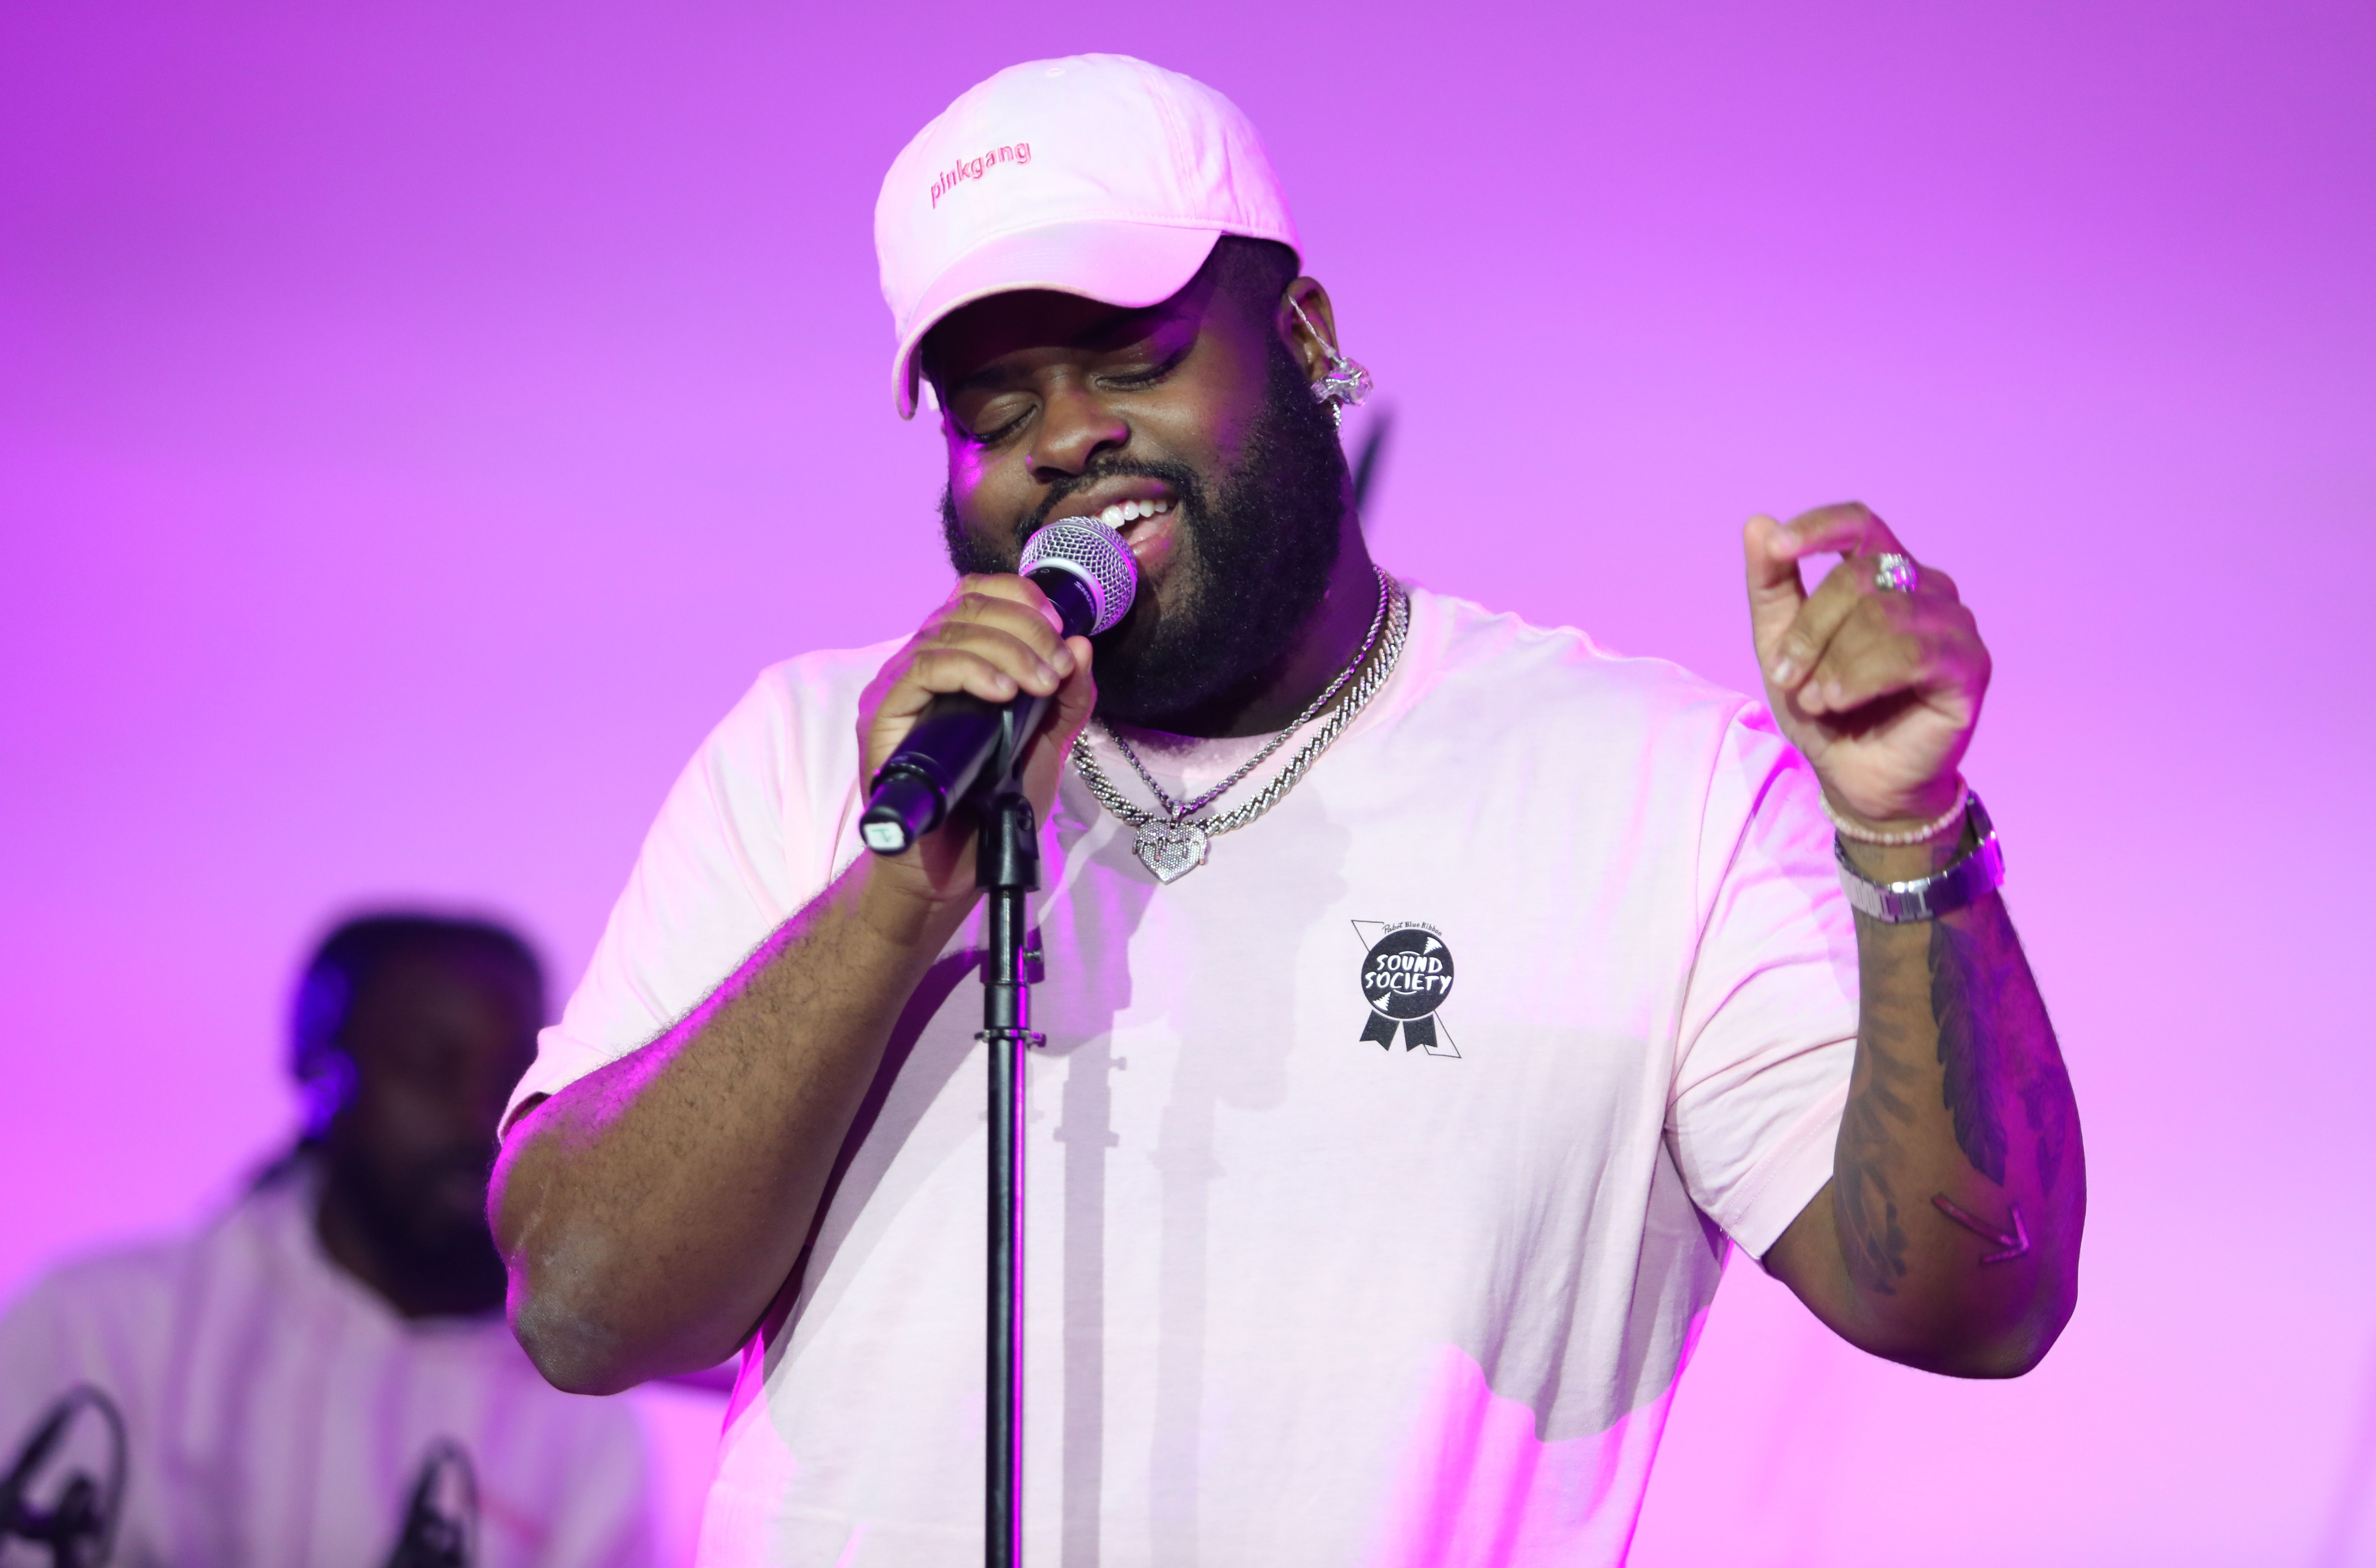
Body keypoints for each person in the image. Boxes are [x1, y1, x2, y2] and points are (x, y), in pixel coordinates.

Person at [490, 54, 2086, 1566]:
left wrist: (1909, 831)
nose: (1068, 438)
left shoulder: (1650, 787)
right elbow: (582, 1308)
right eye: (996, 410)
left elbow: (1973, 1302)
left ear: (1309, 334)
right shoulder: (820, 757)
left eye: (1137, 358)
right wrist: (895, 895)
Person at [0, 914, 653, 1568]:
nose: (479, 1115)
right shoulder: (101, 1327)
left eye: (513, 1078)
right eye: (431, 1068)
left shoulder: (578, 1412)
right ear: (319, 1069)